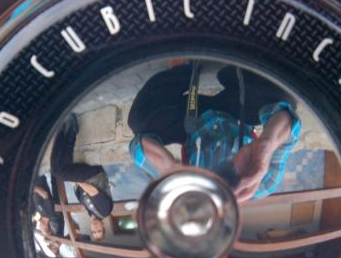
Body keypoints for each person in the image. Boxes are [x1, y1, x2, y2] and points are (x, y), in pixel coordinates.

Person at [128, 62, 301, 202]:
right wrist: (266, 144)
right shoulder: (261, 184)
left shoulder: (182, 185)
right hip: (238, 113)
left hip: (193, 121)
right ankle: (240, 63)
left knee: (140, 120)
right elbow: (289, 122)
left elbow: (137, 147)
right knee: (286, 97)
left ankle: (185, 68)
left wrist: (171, 169)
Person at [51, 114, 113, 241]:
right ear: (103, 226)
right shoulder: (105, 211)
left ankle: (61, 132)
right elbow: (93, 191)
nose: (95, 228)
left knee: (56, 170)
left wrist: (75, 182)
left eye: (94, 231)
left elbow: (79, 191)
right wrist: (75, 180)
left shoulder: (90, 212)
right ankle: (71, 130)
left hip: (86, 178)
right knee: (61, 173)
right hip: (94, 176)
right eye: (99, 230)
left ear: (90, 229)